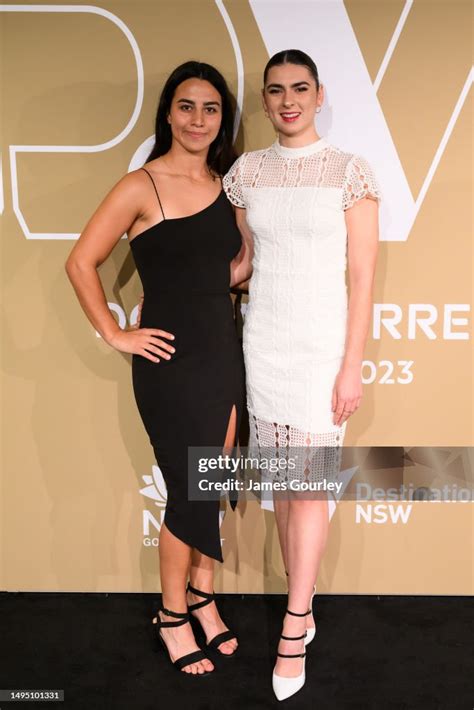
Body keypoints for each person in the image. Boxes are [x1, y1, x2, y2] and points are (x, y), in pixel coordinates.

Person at [65, 61, 250, 676]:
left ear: (223, 119)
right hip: (170, 363)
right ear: (169, 112)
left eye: (212, 108)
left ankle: (203, 595)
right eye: (187, 106)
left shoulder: (228, 186)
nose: (199, 119)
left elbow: (230, 271)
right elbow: (81, 262)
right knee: (187, 489)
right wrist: (117, 332)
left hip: (222, 353)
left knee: (212, 483)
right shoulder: (140, 185)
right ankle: (173, 616)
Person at [222, 49, 381, 700]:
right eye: (275, 90)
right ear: (264, 102)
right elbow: (244, 263)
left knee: (307, 488)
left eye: (300, 88)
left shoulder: (349, 172)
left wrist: (350, 366)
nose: (288, 100)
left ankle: (292, 627)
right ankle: (305, 606)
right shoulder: (246, 173)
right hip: (264, 347)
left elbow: (363, 279)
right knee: (287, 491)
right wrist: (180, 289)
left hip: (320, 356)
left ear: (319, 96)